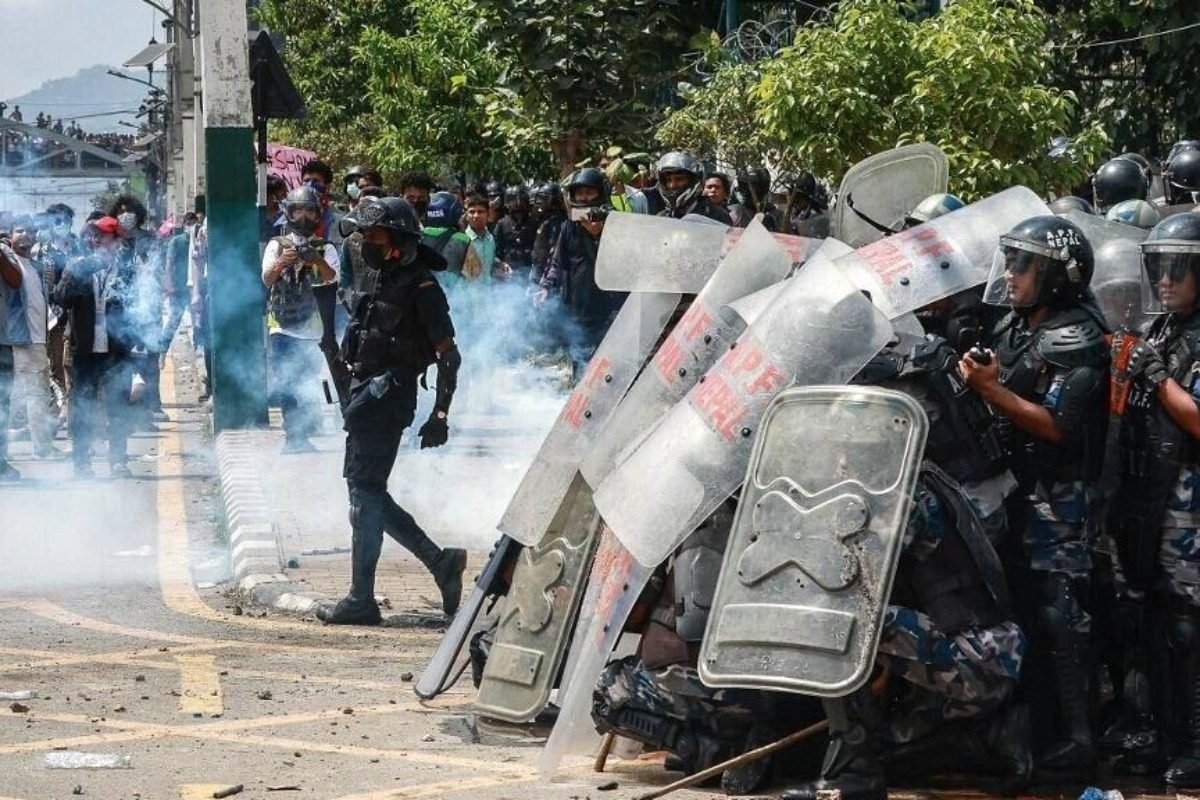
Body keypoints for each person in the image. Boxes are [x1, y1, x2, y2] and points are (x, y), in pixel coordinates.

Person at [960, 215, 1109, 779]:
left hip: (1058, 497)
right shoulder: (1014, 325)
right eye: (1010, 261)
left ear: (1056, 275)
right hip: (1013, 491)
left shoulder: (1077, 336)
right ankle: (1030, 730)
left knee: (1060, 613)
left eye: (1024, 265)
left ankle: (1079, 739)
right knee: (1018, 607)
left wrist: (990, 389)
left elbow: (1058, 426)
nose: (1012, 274)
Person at [316, 197, 467, 625]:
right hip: (365, 401)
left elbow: (449, 357)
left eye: (375, 236)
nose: (367, 243)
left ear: (399, 241)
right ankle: (439, 562)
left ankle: (362, 599)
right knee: (366, 493)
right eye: (364, 235)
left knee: (364, 496)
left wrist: (440, 415)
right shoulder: (383, 279)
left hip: (389, 401)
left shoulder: (423, 289)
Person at [1108, 212, 1200, 790]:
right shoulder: (1163, 329)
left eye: (1177, 270)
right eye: (1157, 269)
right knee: (1150, 620)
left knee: (1188, 627)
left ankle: (1195, 744)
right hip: (1147, 493)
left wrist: (1160, 377)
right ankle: (1162, 735)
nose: (1163, 281)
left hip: (1188, 501)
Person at [55, 217, 135, 478]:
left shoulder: (125, 270)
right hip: (86, 349)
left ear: (116, 241)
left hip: (116, 349)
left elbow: (136, 307)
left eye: (102, 236)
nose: (95, 240)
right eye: (93, 235)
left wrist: (133, 342)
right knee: (82, 405)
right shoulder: (78, 266)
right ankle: (82, 463)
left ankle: (119, 461)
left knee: (118, 406)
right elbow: (62, 299)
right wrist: (76, 273)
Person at [262, 186, 339, 453]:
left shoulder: (326, 248)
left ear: (318, 214)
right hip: (281, 327)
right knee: (285, 380)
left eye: (309, 211)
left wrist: (316, 259)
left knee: (305, 380)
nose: (304, 216)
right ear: (289, 213)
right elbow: (267, 279)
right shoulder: (277, 245)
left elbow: (332, 278)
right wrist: (283, 262)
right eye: (298, 211)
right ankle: (293, 435)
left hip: (312, 328)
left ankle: (303, 431)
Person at [536, 169, 625, 377]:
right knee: (580, 361)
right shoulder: (569, 226)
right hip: (578, 308)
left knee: (608, 365)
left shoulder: (617, 223)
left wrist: (597, 237)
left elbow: (623, 264)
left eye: (589, 192)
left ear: (601, 193)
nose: (583, 198)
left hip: (609, 309)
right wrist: (546, 286)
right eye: (579, 193)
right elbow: (557, 261)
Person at [0, 217, 56, 458]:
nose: (25, 235)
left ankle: (25, 445)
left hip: (38, 338)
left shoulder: (37, 267)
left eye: (30, 231)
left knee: (28, 395)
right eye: (20, 230)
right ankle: (42, 448)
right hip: (19, 339)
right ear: (10, 235)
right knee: (32, 395)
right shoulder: (8, 262)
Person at [442, 195, 510, 282]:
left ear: (488, 214)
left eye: (480, 212)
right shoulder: (460, 241)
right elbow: (450, 275)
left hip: (488, 289)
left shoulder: (490, 238)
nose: (476, 216)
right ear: (466, 216)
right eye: (472, 212)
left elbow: (489, 260)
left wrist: (499, 264)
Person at [653, 151, 733, 224]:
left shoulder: (716, 215)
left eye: (679, 179)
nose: (672, 185)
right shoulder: (662, 217)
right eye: (668, 180)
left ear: (693, 181)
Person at [494, 185, 539, 280]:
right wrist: (501, 264)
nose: (517, 204)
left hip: (529, 271)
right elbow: (496, 251)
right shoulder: (502, 224)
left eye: (521, 200)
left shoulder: (534, 223)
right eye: (513, 200)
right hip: (509, 272)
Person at [529, 181, 567, 286]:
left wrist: (546, 279)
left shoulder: (558, 223)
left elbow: (553, 253)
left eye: (544, 199)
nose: (539, 202)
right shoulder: (545, 221)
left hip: (549, 277)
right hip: (539, 271)